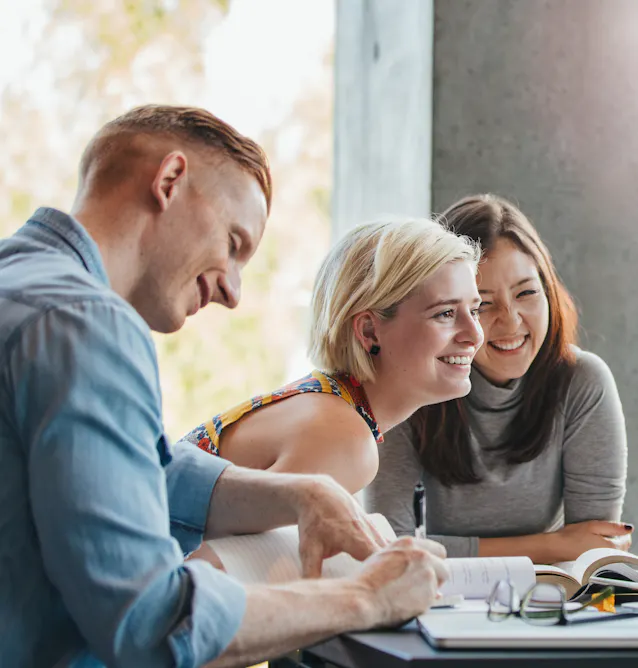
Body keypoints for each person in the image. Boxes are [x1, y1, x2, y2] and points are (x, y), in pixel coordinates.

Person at [0, 105, 451, 668]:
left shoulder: (21, 286)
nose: (233, 292)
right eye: (234, 243)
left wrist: (303, 494)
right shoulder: (85, 324)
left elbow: (131, 471)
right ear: (170, 181)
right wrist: (366, 597)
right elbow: (154, 624)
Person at [366, 194, 630, 563]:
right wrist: (550, 545)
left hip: (552, 592)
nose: (510, 321)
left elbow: (593, 547)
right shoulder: (409, 383)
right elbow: (390, 548)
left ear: (549, 291)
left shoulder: (582, 381)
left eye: (526, 293)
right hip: (435, 591)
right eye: (483, 304)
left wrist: (562, 547)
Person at [179, 217, 484, 494]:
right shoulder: (344, 440)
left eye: (474, 310)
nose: (475, 335)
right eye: (445, 313)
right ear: (369, 331)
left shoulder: (331, 405)